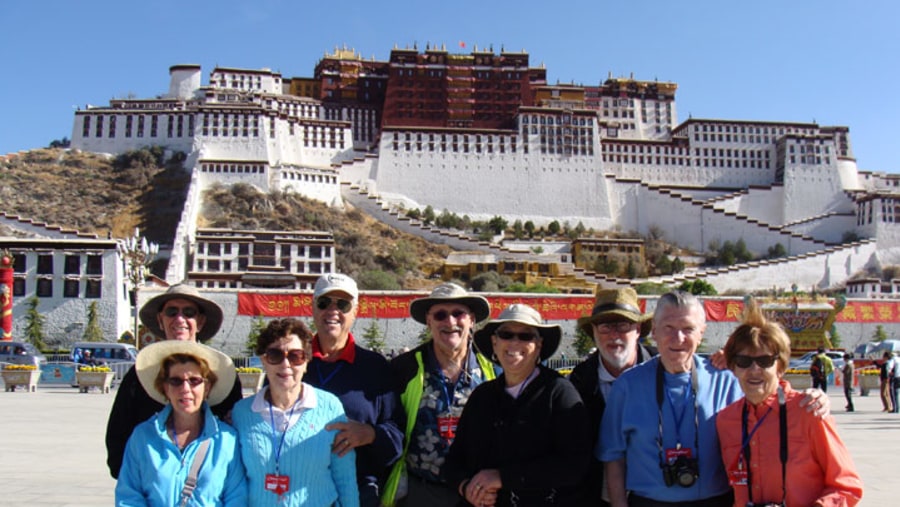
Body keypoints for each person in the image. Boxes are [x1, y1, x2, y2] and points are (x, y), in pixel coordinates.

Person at [599, 291, 830, 507]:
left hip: (717, 500)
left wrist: (815, 397)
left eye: (688, 328)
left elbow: (768, 394)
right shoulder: (627, 387)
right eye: (668, 327)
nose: (678, 338)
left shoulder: (724, 378)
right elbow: (613, 457)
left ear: (702, 332)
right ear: (654, 332)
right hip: (649, 501)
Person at [716, 299, 863, 506]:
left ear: (781, 366)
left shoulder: (809, 411)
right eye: (744, 361)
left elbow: (846, 485)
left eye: (765, 361)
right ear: (733, 367)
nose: (754, 370)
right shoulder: (725, 420)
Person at [443, 304, 591, 506]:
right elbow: (453, 461)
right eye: (506, 334)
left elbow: (575, 465)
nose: (514, 342)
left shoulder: (559, 393)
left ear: (539, 345)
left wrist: (502, 477)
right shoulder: (481, 396)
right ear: (494, 343)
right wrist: (467, 487)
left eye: (525, 336)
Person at [105, 283, 243, 479]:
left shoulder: (223, 374)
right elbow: (118, 433)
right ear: (160, 320)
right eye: (172, 312)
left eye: (189, 312)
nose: (180, 319)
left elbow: (234, 431)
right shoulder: (138, 375)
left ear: (200, 322)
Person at [383, 282, 497, 507]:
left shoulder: (493, 369)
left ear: (472, 320)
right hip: (421, 492)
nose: (450, 322)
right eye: (440, 315)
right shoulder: (404, 369)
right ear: (428, 320)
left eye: (458, 314)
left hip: (477, 493)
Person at [231, 318, 359, 506]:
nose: (285, 364)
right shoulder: (242, 413)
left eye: (295, 356)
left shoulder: (330, 407)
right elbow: (237, 483)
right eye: (275, 355)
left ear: (306, 362)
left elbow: (345, 478)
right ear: (264, 361)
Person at [306, 273, 404, 507]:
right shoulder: (293, 360)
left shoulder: (375, 366)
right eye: (324, 303)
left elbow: (397, 435)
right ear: (313, 308)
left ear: (355, 311)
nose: (332, 311)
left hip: (360, 491)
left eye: (342, 304)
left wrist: (369, 434)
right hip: (299, 486)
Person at [115, 340, 247, 506]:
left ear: (206, 387)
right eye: (176, 381)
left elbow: (236, 498)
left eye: (194, 381)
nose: (185, 388)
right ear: (165, 388)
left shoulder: (227, 440)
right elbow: (128, 496)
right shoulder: (143, 437)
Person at [568, 287, 655, 507]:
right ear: (594, 332)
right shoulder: (578, 382)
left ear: (638, 329)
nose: (614, 335)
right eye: (605, 326)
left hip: (656, 494)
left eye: (622, 325)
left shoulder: (663, 369)